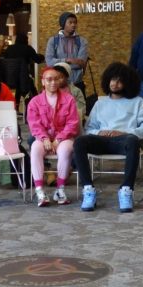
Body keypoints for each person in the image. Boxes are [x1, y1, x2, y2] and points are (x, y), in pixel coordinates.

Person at [73, 62, 143, 213]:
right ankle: (88, 190)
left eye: (119, 80)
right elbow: (89, 128)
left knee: (132, 140)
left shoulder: (137, 102)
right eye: (112, 79)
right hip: (101, 141)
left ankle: (126, 190)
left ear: (127, 83)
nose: (114, 84)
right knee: (80, 141)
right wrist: (99, 133)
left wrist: (124, 132)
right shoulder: (100, 103)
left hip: (124, 141)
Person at [27, 66, 80, 206]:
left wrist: (58, 139)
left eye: (56, 79)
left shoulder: (69, 100)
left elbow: (72, 123)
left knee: (65, 150)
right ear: (43, 82)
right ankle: (40, 191)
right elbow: (34, 124)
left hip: (63, 138)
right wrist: (44, 138)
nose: (53, 82)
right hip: (43, 138)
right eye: (49, 79)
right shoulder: (35, 102)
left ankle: (60, 189)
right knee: (35, 149)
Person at [44, 12, 88, 86]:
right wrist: (67, 60)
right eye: (70, 22)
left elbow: (81, 63)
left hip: (77, 83)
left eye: (75, 22)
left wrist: (58, 64)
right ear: (63, 24)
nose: (73, 25)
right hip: (57, 84)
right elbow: (49, 62)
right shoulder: (53, 41)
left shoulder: (82, 41)